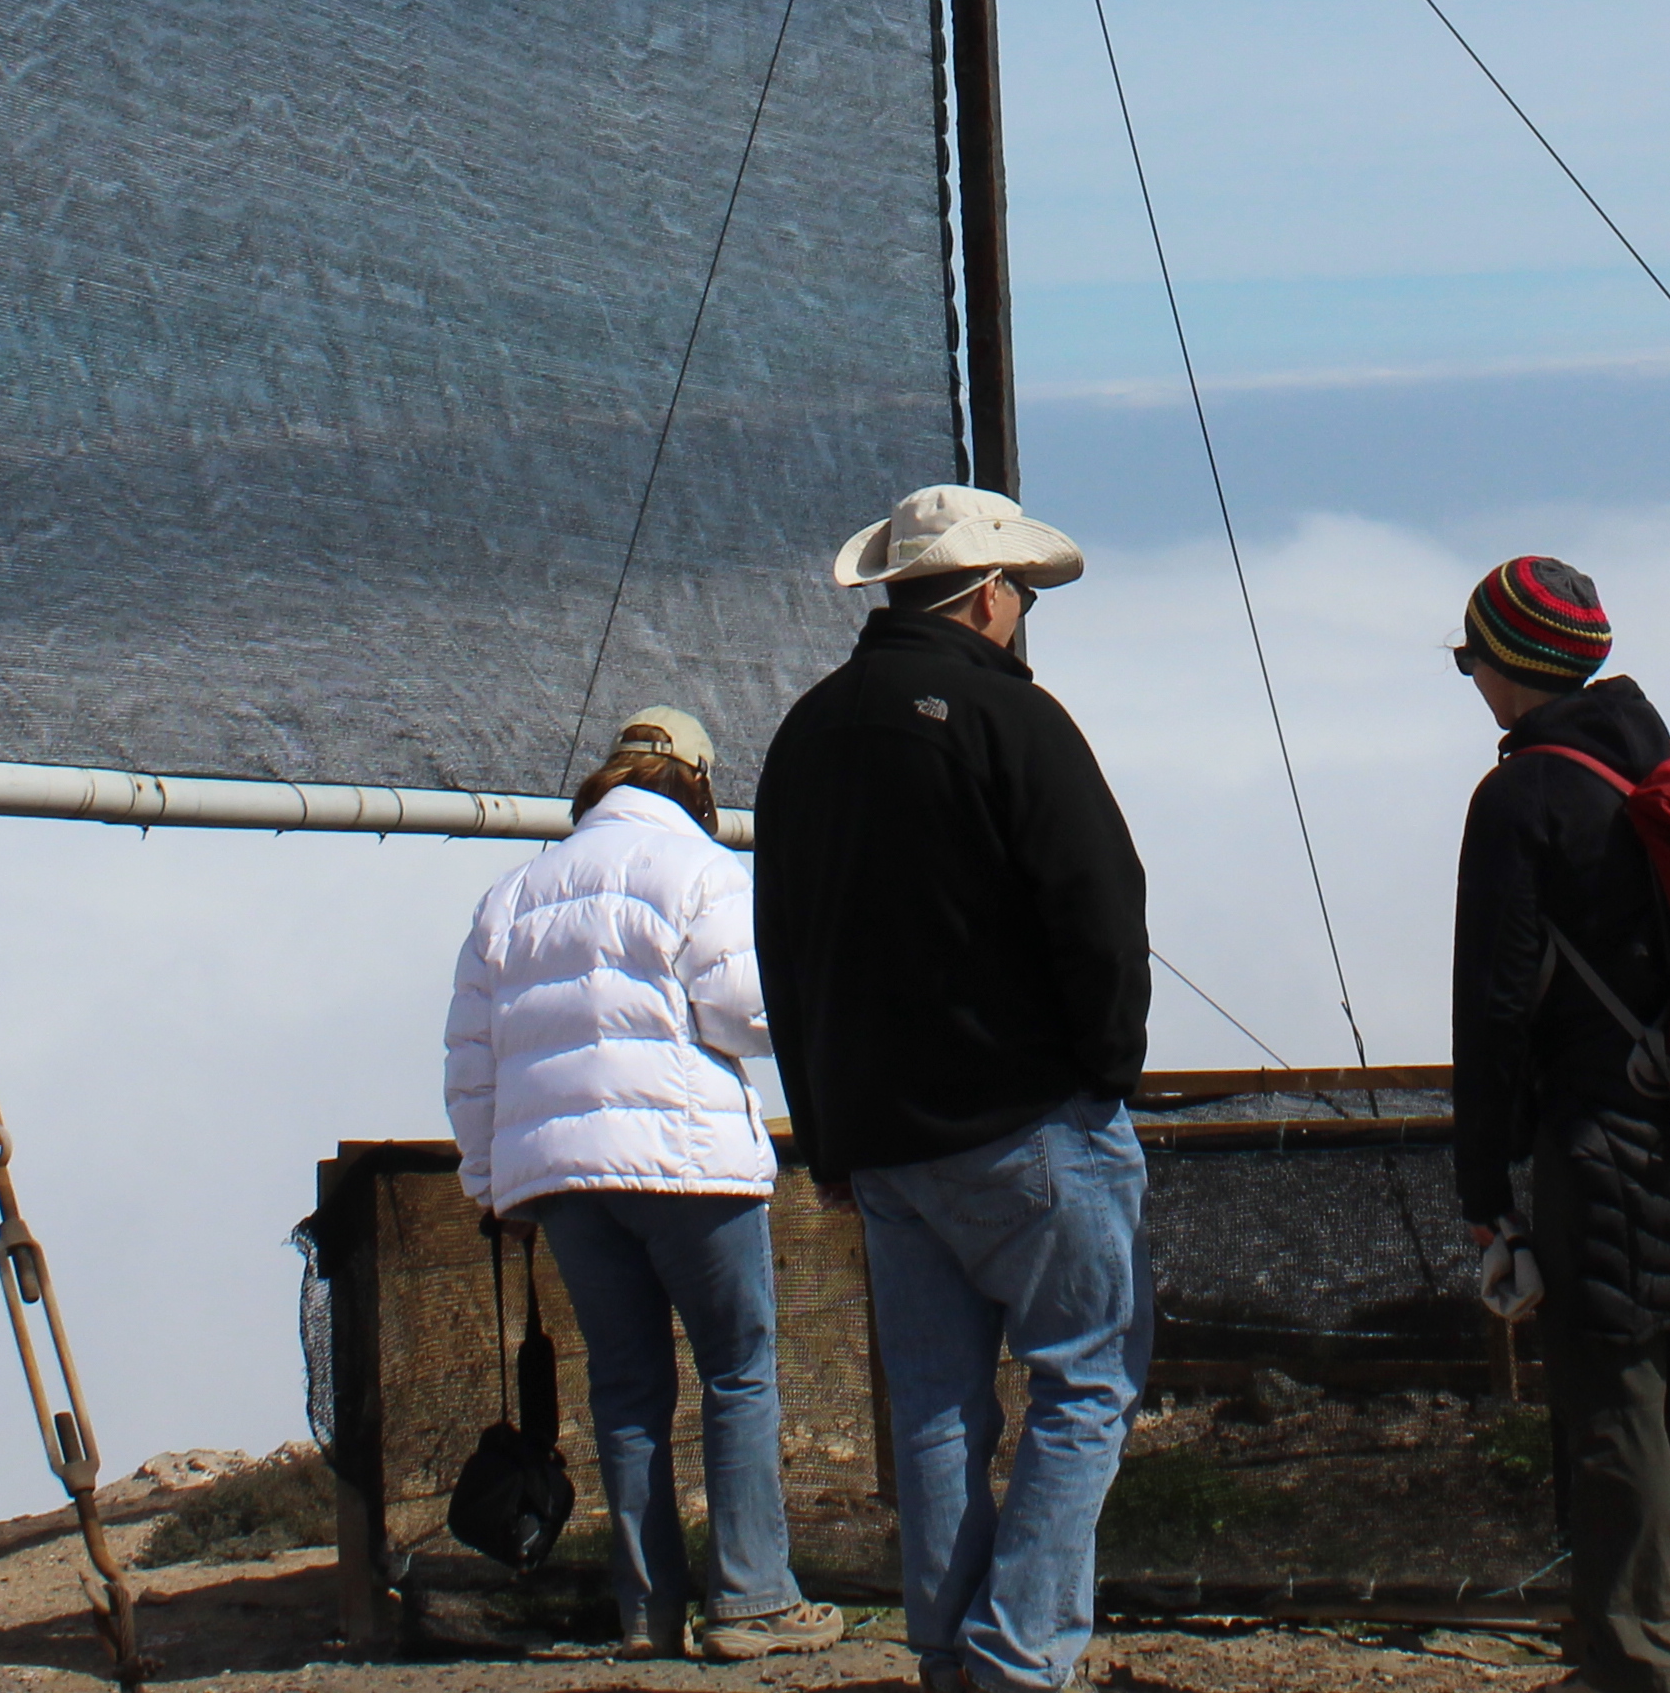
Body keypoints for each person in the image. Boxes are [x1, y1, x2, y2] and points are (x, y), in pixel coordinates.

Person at [752, 486, 1148, 1693]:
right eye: (1020, 593)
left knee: (934, 1405)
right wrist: (1104, 1072)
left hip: (879, 1140)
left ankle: (947, 1652)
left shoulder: (805, 734)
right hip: (1028, 1121)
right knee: (1086, 1379)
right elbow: (1099, 912)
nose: (1021, 612)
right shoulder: (1013, 720)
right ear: (986, 595)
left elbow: (784, 944)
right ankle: (1018, 1655)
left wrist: (826, 1131)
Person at [446, 702, 852, 1662]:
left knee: (626, 1390)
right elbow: (749, 1014)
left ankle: (646, 1614)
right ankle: (751, 1600)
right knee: (738, 1374)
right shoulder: (704, 872)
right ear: (699, 786)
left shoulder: (511, 896)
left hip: (565, 1183)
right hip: (690, 1167)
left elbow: (473, 1062)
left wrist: (488, 1186)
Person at [1447, 555, 1670, 1693]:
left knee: (1614, 1398)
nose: (1472, 680)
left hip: (1600, 1135)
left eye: (1472, 658)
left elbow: (1493, 1006)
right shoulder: (1669, 768)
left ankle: (1638, 1668)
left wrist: (1483, 1187)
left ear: (1513, 667)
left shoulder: (1525, 795)